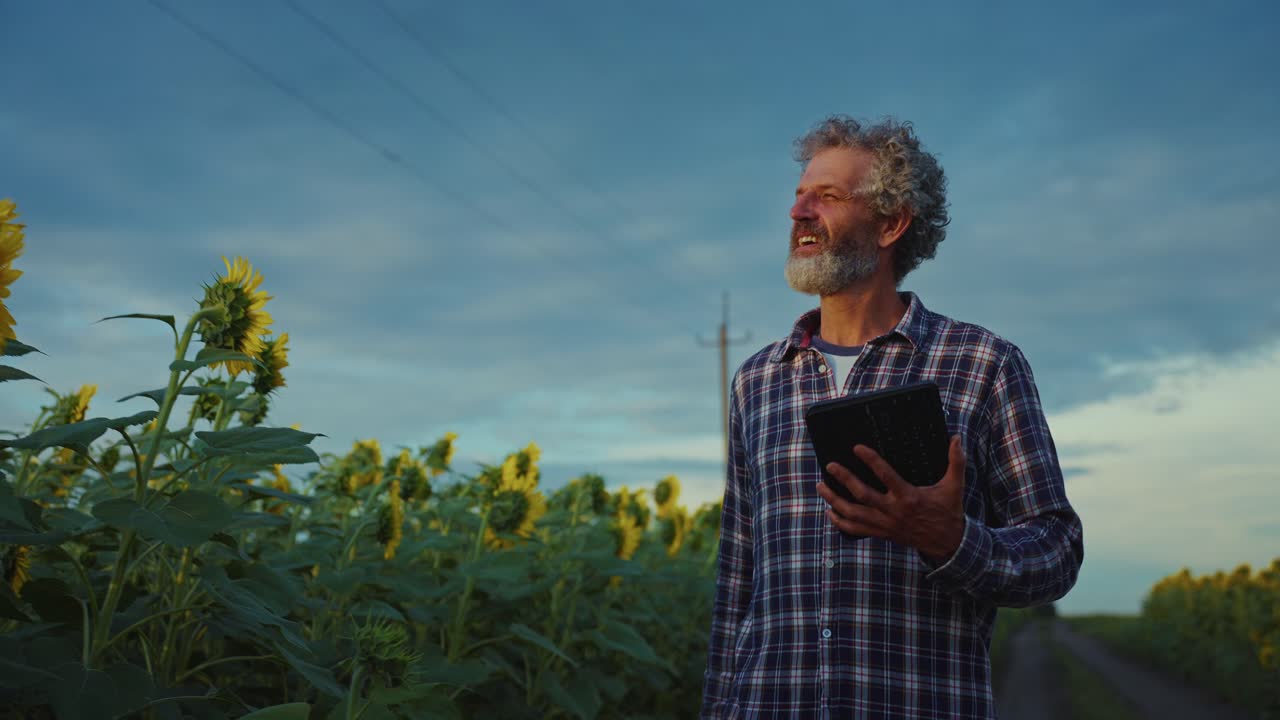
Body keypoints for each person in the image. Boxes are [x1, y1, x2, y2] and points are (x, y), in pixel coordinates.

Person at [701, 115, 1084, 719]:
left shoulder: (984, 364)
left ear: (890, 223)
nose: (799, 212)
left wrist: (953, 540)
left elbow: (1057, 551)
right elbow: (736, 583)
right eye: (799, 195)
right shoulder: (757, 380)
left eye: (826, 197)